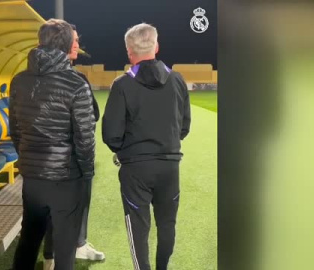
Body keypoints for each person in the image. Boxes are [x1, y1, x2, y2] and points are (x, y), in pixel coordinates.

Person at [102, 23, 191, 270]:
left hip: (136, 168)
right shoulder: (177, 80)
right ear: (156, 46)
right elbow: (184, 126)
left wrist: (127, 150)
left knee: (138, 226)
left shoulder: (122, 84)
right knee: (167, 224)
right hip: (169, 165)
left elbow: (111, 134)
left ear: (129, 52)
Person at [10, 18, 96, 270]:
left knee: (28, 240)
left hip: (32, 177)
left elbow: (15, 129)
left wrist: (28, 158)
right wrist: (86, 173)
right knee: (65, 248)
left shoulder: (19, 80)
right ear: (68, 44)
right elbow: (85, 137)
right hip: (66, 178)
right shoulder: (76, 83)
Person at [42, 24, 104, 270]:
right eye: (75, 40)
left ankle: (64, 250)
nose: (78, 44)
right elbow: (92, 118)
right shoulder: (76, 79)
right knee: (65, 209)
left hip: (43, 158)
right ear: (62, 42)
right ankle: (56, 254)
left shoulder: (30, 76)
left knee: (53, 208)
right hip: (69, 160)